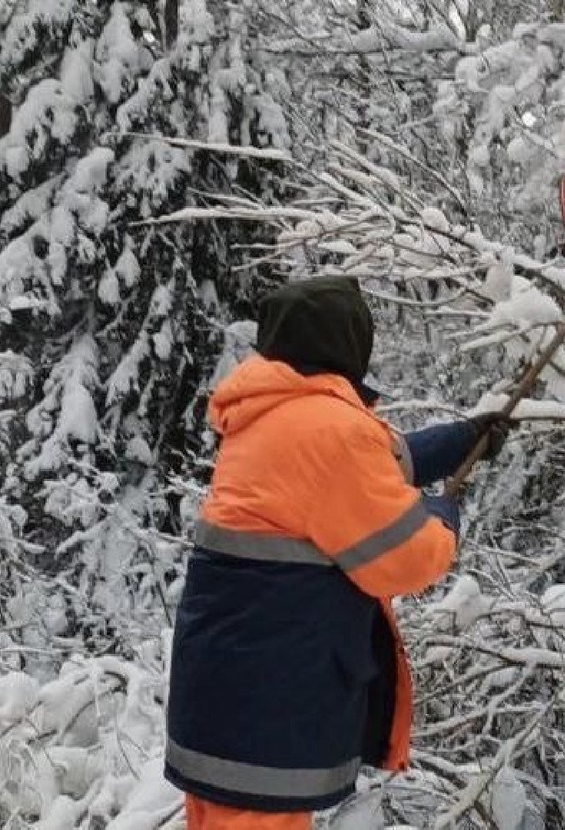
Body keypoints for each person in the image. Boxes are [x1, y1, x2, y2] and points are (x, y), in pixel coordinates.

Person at [165, 277, 508, 830]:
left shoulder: (271, 413)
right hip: (265, 720)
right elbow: (409, 557)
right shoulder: (330, 431)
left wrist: (459, 440)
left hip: (225, 704)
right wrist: (444, 515)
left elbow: (365, 468)